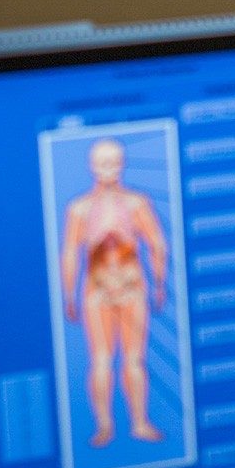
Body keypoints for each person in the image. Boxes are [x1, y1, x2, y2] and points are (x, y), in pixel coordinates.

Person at [61, 137, 168, 447]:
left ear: (122, 165)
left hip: (132, 285)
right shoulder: (79, 208)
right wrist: (68, 293)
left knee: (134, 359)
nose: (108, 169)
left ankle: (138, 422)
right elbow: (69, 251)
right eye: (102, 163)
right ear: (91, 166)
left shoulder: (136, 203)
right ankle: (105, 425)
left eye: (113, 162)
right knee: (101, 360)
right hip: (97, 287)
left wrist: (160, 283)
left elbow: (156, 242)